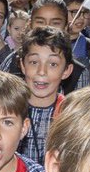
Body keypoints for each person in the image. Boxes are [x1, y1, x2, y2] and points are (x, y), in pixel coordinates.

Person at [16, 27, 74, 163]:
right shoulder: (7, 107)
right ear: (23, 65)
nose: (42, 71)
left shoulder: (71, 114)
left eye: (53, 64)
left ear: (66, 70)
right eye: (34, 62)